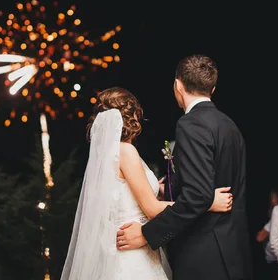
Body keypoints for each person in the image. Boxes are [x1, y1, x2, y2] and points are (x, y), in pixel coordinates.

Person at [60, 87, 234, 279]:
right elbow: (152, 209)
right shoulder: (126, 151)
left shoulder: (108, 155)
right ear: (132, 116)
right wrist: (208, 203)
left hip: (125, 249)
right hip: (132, 254)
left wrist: (160, 189)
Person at [115, 54, 252, 279]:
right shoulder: (230, 125)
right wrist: (168, 187)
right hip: (233, 251)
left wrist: (148, 234)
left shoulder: (191, 123)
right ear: (213, 88)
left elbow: (198, 196)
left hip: (204, 256)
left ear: (178, 85)